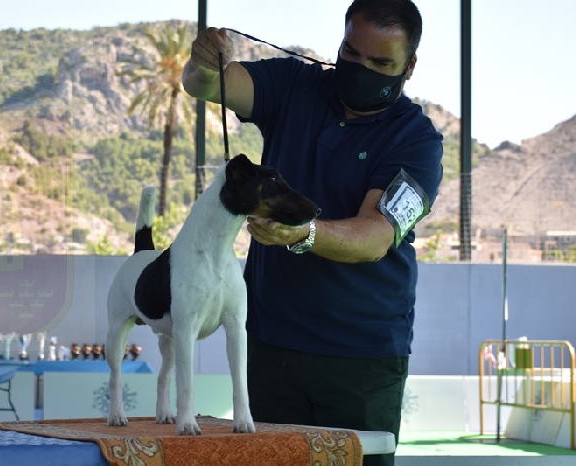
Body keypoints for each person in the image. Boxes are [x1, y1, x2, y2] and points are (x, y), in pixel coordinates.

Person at [182, 1, 443, 464]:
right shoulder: (295, 86)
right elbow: (208, 85)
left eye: (381, 63)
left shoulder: (417, 139)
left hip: (362, 360)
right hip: (269, 346)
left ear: (410, 67)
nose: (362, 69)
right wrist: (203, 65)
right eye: (352, 53)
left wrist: (301, 234)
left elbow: (376, 236)